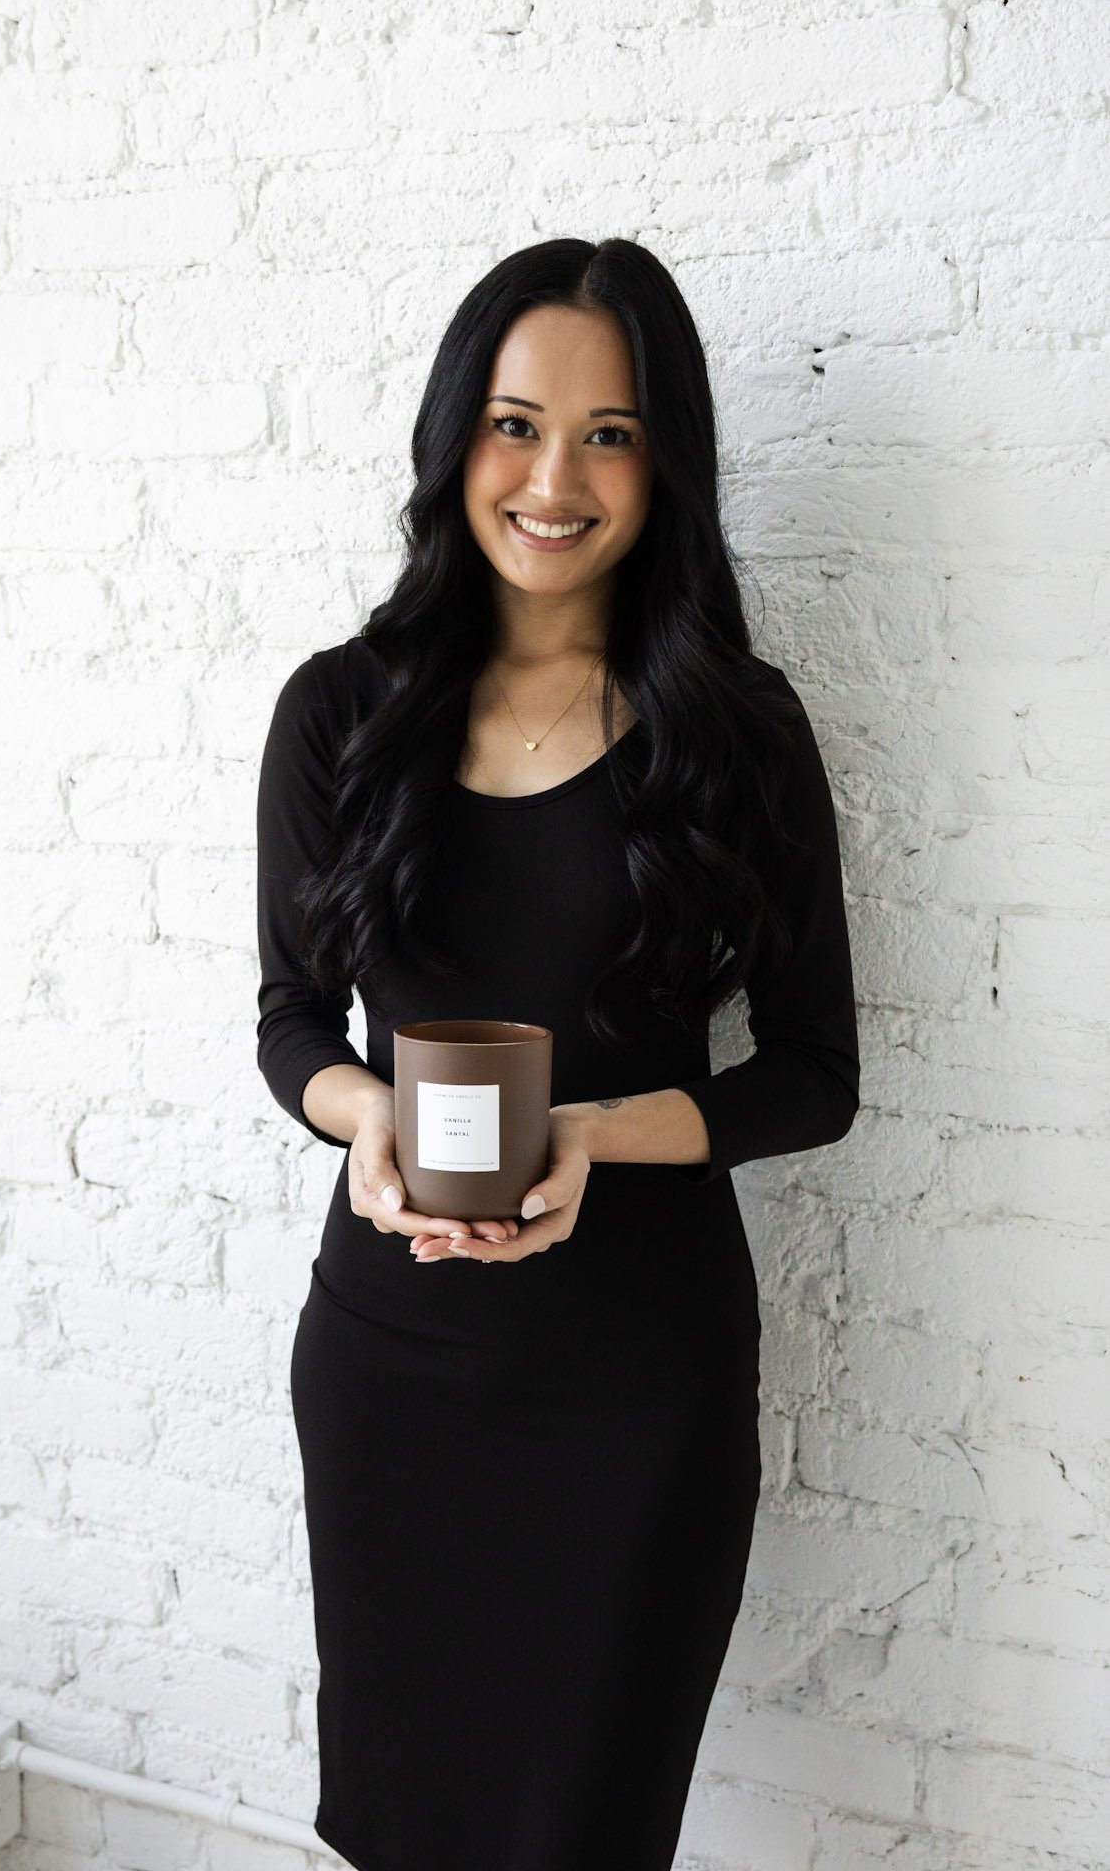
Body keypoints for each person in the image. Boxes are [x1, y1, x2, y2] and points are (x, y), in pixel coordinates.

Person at [254, 236, 860, 1871]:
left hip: (631, 1382)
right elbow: (292, 1019)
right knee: (401, 1828)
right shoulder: (340, 710)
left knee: (583, 1836)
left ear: (665, 466)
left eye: (610, 435)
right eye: (515, 425)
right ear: (456, 435)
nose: (552, 480)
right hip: (392, 1366)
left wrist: (585, 1134)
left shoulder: (736, 726)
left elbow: (812, 1074)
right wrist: (368, 1118)